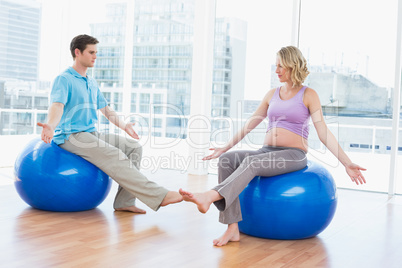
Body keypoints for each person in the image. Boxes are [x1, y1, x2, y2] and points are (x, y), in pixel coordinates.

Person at [179, 46, 367, 246]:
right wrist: (224, 148)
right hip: (266, 152)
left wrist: (347, 163)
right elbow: (250, 124)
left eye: (280, 66)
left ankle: (211, 195)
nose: (276, 70)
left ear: (292, 65)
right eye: (275, 66)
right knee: (227, 160)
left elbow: (323, 133)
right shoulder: (272, 94)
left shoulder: (308, 94)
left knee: (252, 162)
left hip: (293, 155)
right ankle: (232, 228)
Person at [37, 34, 182, 213]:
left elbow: (105, 109)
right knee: (114, 154)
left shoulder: (91, 81)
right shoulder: (64, 79)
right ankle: (159, 196)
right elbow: (57, 105)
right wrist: (50, 125)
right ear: (77, 52)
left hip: (90, 134)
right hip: (71, 136)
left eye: (96, 52)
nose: (95, 56)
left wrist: (124, 126)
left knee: (133, 147)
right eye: (91, 52)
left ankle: (124, 202)